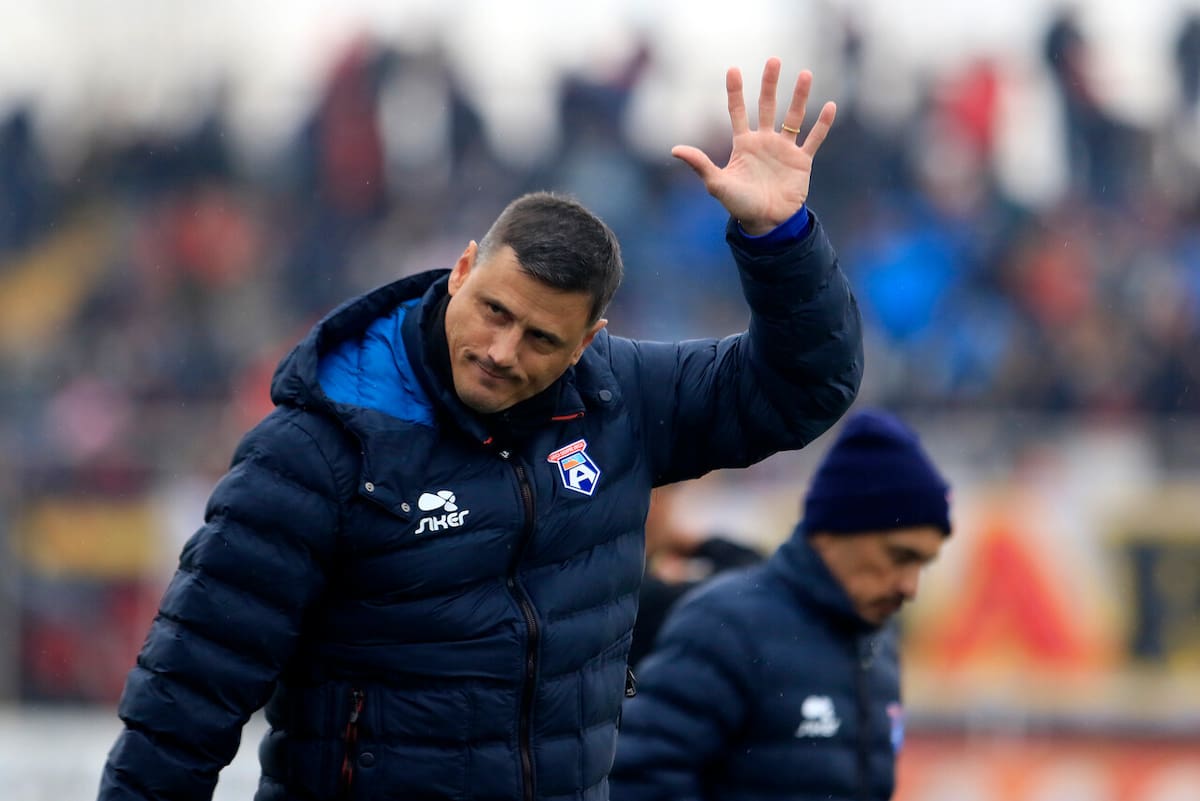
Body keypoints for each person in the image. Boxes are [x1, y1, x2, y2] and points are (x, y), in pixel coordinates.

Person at [98, 57, 863, 801]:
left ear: (589, 340)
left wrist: (781, 244)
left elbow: (802, 386)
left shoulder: (621, 399)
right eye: (495, 311)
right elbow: (185, 699)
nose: (502, 351)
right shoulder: (319, 448)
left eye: (540, 338)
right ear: (462, 268)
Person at [610, 408, 952, 801]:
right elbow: (639, 779)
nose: (911, 587)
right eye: (898, 556)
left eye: (922, 563)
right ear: (834, 532)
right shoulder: (726, 624)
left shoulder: (880, 646)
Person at [629, 485, 763, 669]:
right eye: (660, 497)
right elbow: (754, 580)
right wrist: (698, 546)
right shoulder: (644, 592)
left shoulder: (639, 579)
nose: (665, 509)